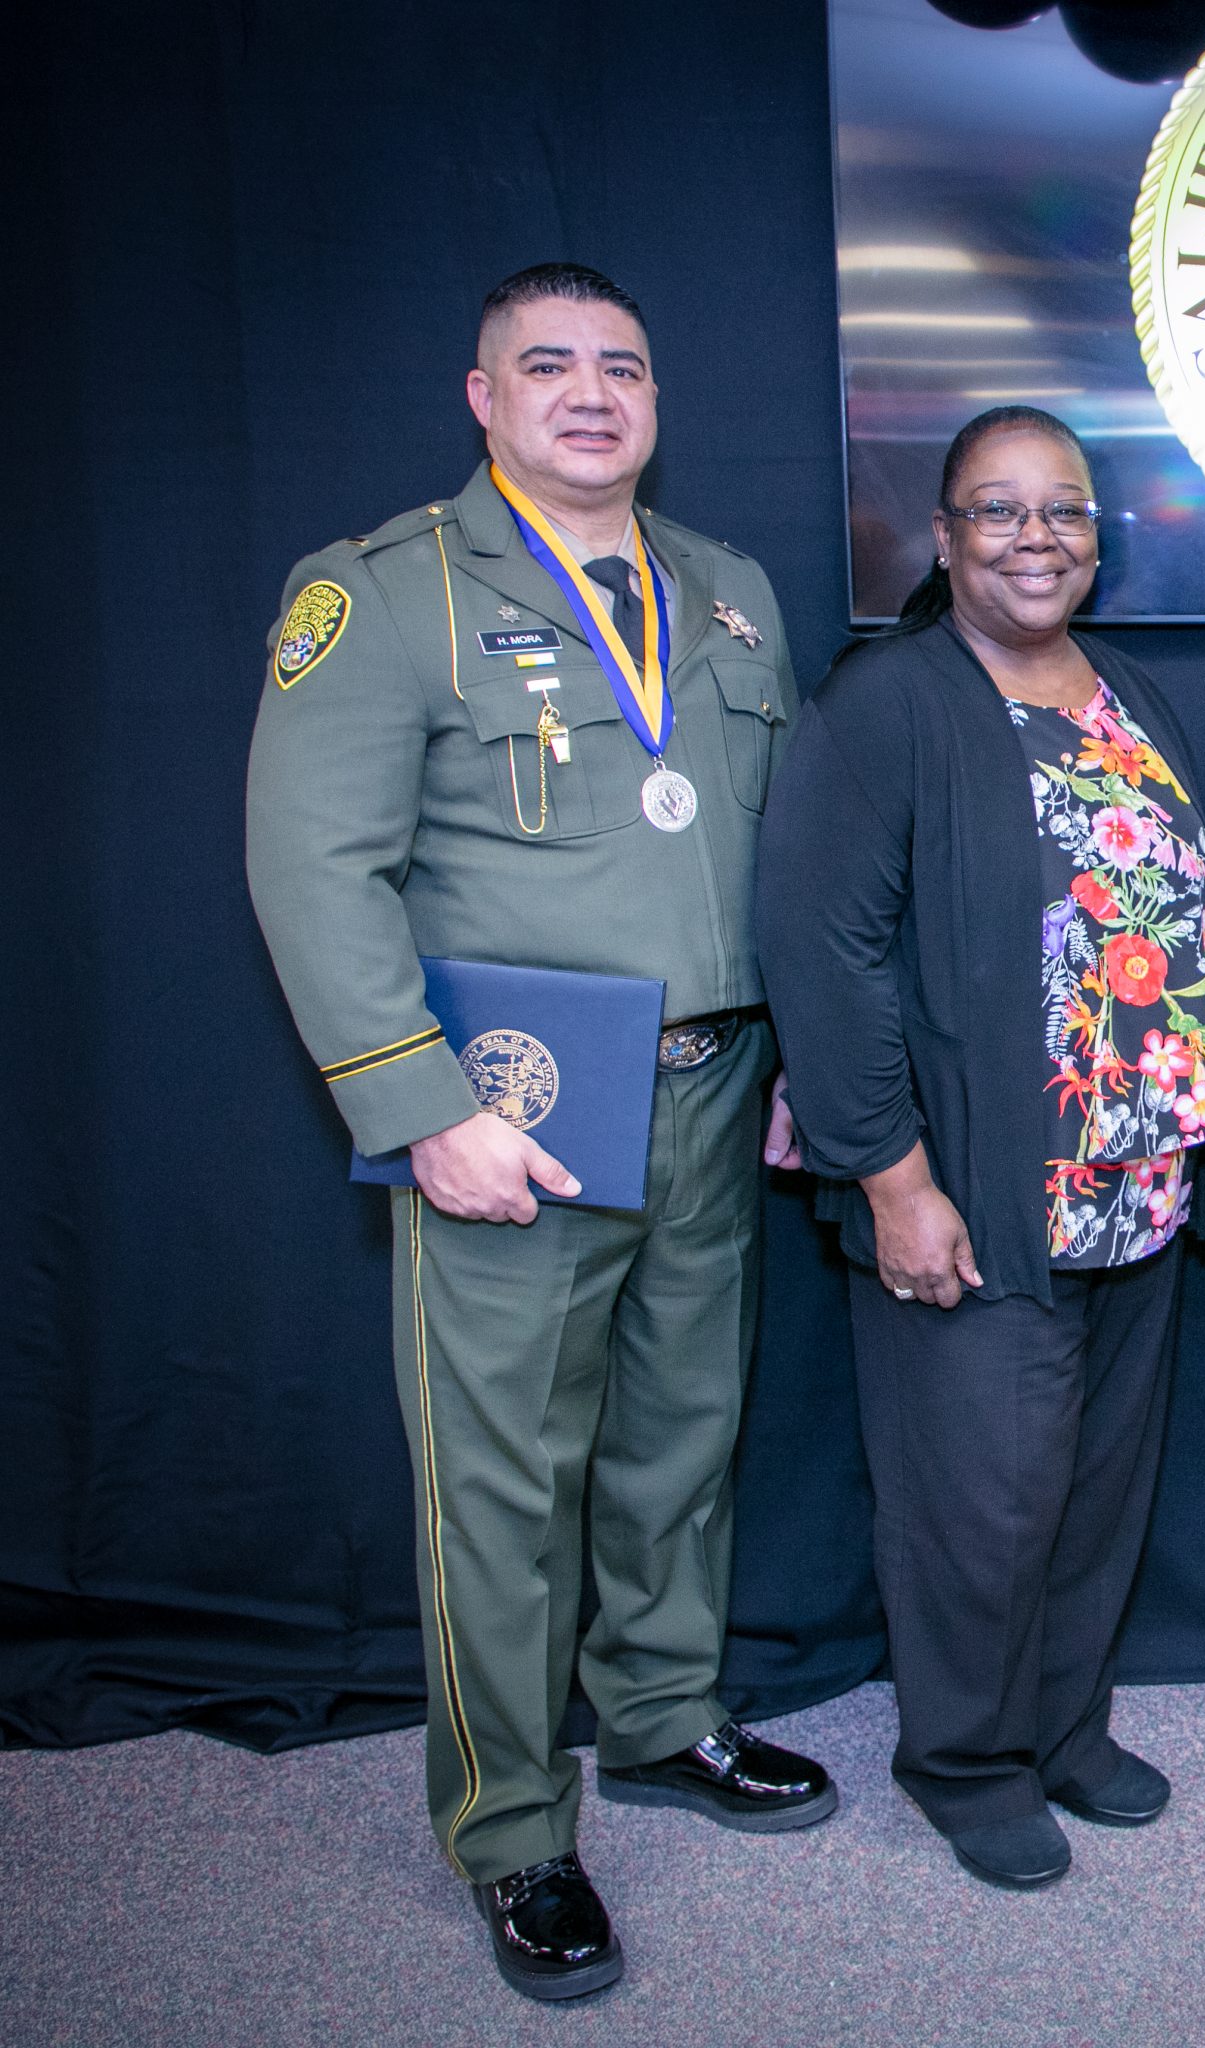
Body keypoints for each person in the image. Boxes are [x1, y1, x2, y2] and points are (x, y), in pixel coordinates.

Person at [244, 263, 833, 2002]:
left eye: (626, 368)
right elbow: (309, 867)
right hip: (518, 1112)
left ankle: (660, 1718)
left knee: (682, 1439)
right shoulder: (387, 593)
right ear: (481, 397)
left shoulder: (726, 599)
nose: (594, 394)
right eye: (550, 366)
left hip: (718, 1088)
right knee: (502, 1483)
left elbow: (769, 855)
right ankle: (511, 1829)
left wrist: (802, 1057)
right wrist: (420, 1107)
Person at [756, 407, 1205, 1892]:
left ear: (1098, 535)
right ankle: (964, 1758)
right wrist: (891, 1178)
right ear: (945, 537)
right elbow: (821, 958)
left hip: (1139, 1179)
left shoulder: (1131, 691)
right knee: (981, 1499)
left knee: (1092, 1489)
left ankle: (1064, 1727)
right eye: (998, 512)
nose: (1037, 539)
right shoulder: (887, 704)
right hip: (971, 1184)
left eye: (1063, 512)